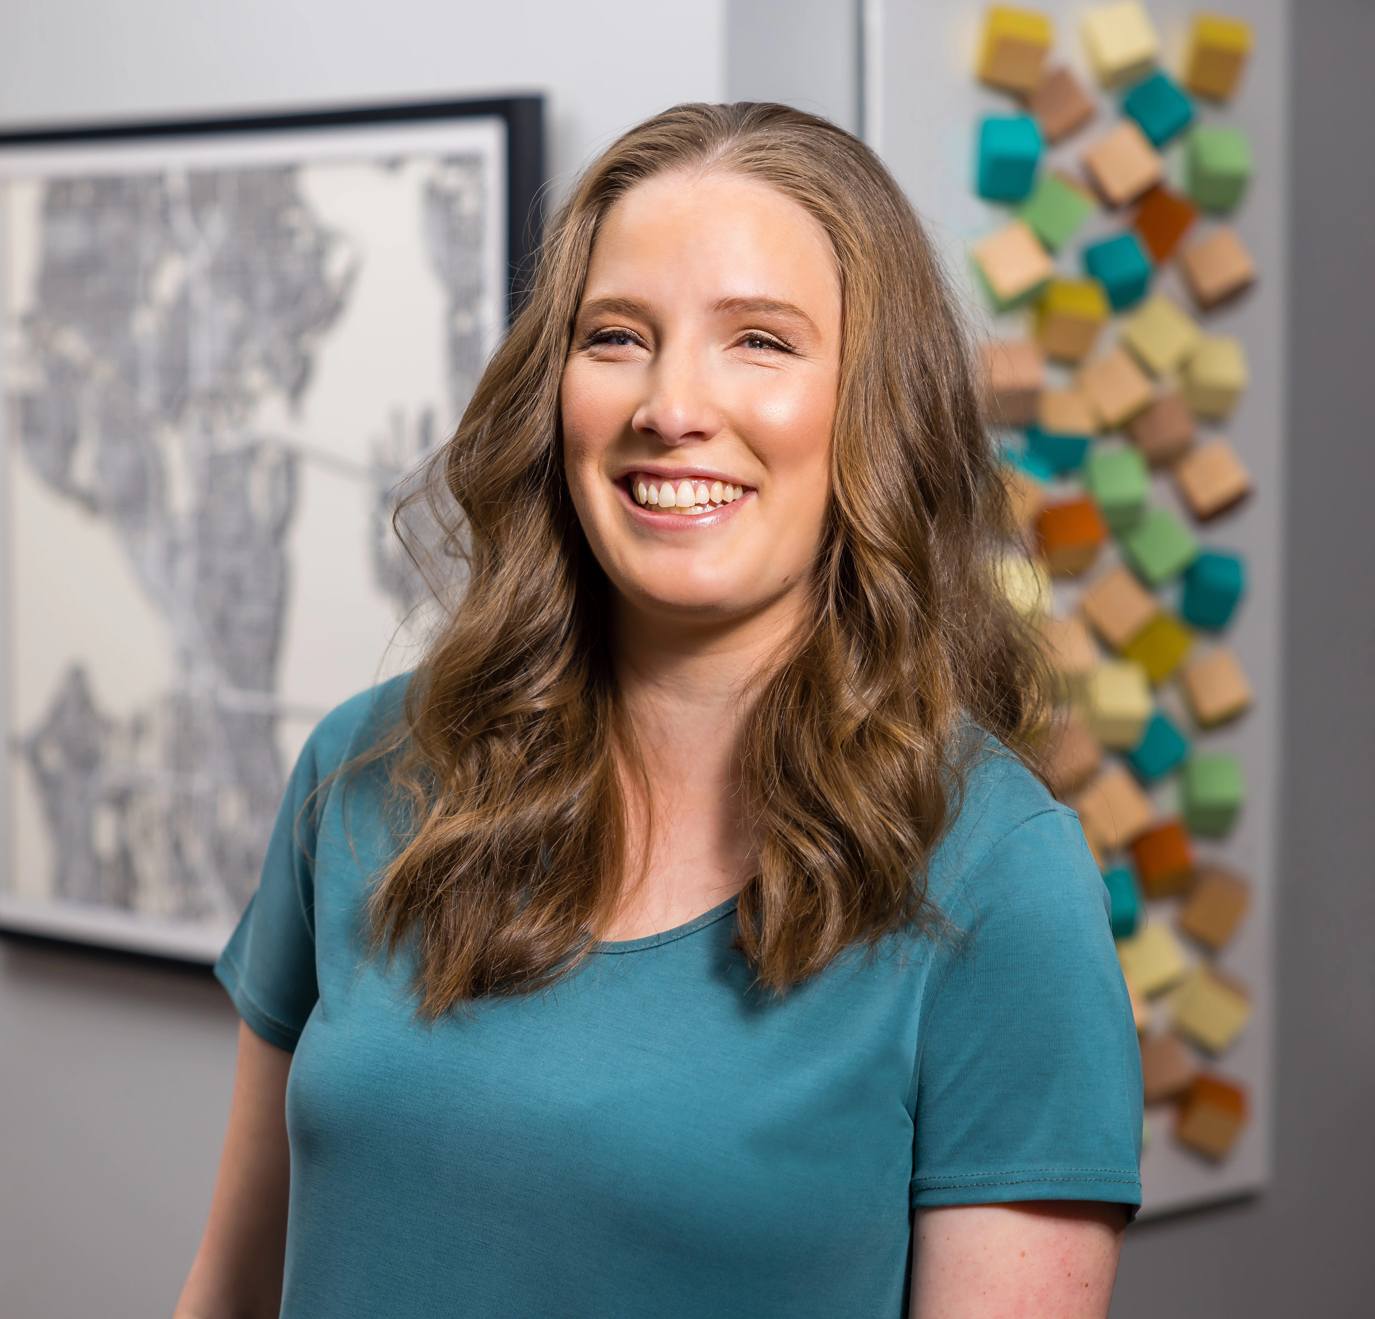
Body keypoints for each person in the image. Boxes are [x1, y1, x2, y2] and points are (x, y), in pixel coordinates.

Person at [175, 102, 1141, 1319]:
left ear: (871, 410)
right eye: (618, 335)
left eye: (760, 341)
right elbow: (226, 1291)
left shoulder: (1003, 879)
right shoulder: (360, 769)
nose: (669, 403)